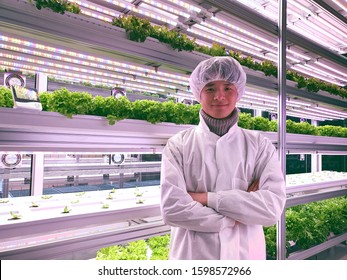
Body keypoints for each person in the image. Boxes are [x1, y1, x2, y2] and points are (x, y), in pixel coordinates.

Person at [160, 56, 286, 260]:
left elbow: (271, 209)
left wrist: (204, 198)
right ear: (198, 93)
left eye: (227, 87)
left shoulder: (259, 145)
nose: (219, 96)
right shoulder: (179, 144)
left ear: (238, 93)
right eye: (210, 88)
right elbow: (172, 209)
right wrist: (237, 213)